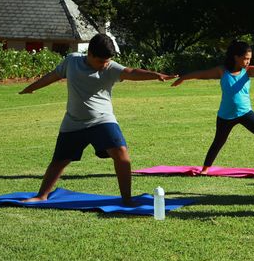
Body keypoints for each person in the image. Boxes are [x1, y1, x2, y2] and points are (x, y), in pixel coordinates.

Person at [19, 34, 176, 205]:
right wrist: (31, 88)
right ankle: (42, 195)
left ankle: (127, 199)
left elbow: (131, 72)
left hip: (102, 120)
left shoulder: (110, 68)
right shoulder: (72, 61)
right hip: (73, 122)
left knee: (122, 155)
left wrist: (154, 74)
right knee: (59, 161)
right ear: (90, 53)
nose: (105, 65)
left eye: (107, 61)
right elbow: (53, 75)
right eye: (101, 61)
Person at [171, 40, 254, 175]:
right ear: (236, 57)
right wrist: (183, 78)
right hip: (225, 115)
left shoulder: (248, 71)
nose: (248, 61)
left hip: (245, 112)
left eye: (249, 59)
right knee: (218, 141)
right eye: (245, 58)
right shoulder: (222, 71)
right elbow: (201, 74)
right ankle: (205, 169)